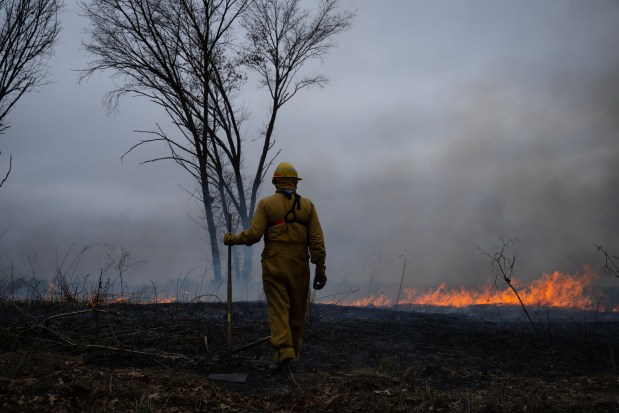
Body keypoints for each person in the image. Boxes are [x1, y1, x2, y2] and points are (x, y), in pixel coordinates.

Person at [223, 162, 327, 372]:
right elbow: (317, 241)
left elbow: (253, 236)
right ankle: (293, 355)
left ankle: (285, 354)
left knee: (279, 309)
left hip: (274, 264)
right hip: (300, 265)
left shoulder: (267, 205)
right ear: (295, 183)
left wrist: (232, 239)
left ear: (276, 181)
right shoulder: (308, 206)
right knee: (297, 312)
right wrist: (320, 269)